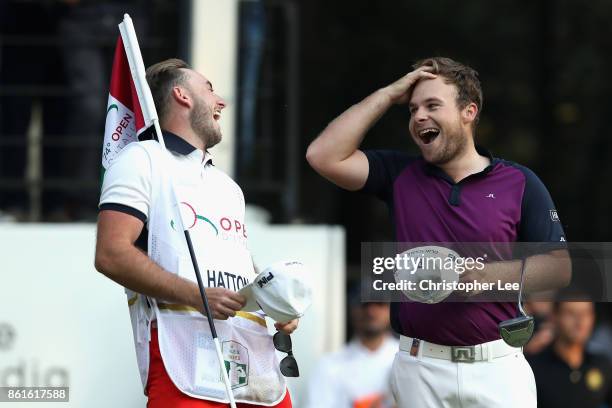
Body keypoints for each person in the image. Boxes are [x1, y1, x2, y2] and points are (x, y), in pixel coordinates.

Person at [306, 57, 571, 407]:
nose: (418, 116)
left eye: (432, 105)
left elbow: (560, 267)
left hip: (499, 366)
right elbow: (323, 155)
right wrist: (388, 95)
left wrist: (489, 275)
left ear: (469, 112)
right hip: (419, 368)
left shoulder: (520, 182)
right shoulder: (399, 174)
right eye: (412, 108)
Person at [95, 59, 296, 408]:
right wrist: (197, 295)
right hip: (183, 362)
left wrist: (274, 303)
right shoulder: (140, 158)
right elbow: (111, 253)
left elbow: (236, 267)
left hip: (255, 365)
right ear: (181, 95)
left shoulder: (228, 186)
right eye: (210, 88)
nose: (221, 101)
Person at [303, 298, 398, 408]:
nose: (371, 311)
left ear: (391, 310)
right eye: (365, 304)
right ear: (353, 310)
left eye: (379, 304)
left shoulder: (408, 359)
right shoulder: (329, 365)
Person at [528, 297, 612, 407]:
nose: (580, 321)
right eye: (571, 313)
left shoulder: (602, 365)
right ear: (554, 317)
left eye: (586, 313)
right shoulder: (534, 369)